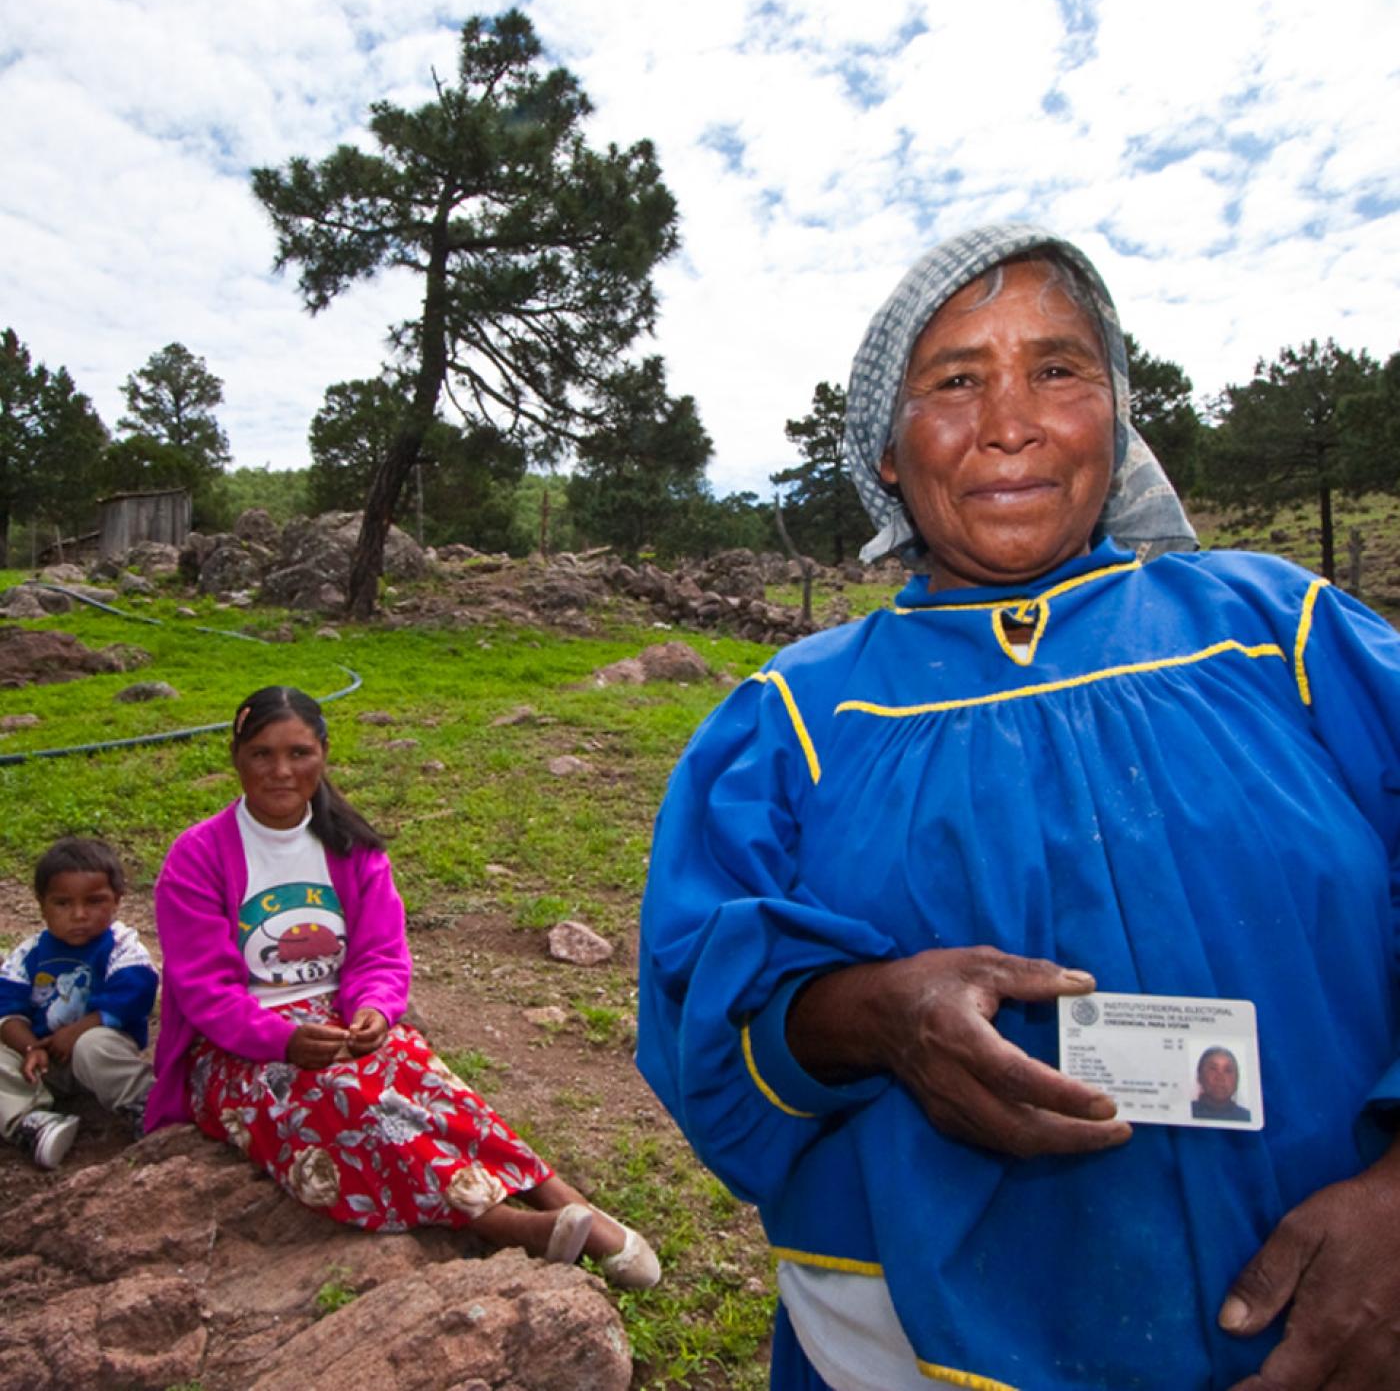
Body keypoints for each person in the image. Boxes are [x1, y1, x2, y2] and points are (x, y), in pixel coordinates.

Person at [637, 222, 1400, 1390]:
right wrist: (871, 1014)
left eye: (1056, 368)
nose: (1009, 421)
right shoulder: (787, 722)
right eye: (953, 380)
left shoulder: (1283, 636)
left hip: (1328, 1327)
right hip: (909, 1351)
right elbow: (701, 1021)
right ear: (885, 451)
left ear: (1115, 413)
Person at [148, 685, 658, 1287]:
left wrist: (373, 1010)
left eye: (299, 753)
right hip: (235, 1048)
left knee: (420, 1072)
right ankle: (503, 1225)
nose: (281, 771)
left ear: (324, 755)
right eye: (261, 754)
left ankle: (553, 1191)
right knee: (345, 1100)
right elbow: (205, 989)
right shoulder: (198, 857)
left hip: (337, 1019)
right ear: (236, 757)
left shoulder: (352, 848)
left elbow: (381, 956)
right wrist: (281, 1041)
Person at [0, 837, 156, 1169]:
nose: (79, 915)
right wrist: (31, 1048)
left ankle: (144, 1103)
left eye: (95, 901)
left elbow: (134, 994)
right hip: (43, 1061)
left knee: (94, 1046)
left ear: (117, 901)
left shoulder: (122, 946)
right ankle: (32, 1122)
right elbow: (8, 1008)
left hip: (95, 1054)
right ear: (41, 904)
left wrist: (78, 1031)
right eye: (63, 904)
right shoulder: (29, 954)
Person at [1192, 1046, 1252, 1123]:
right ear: (1199, 1076)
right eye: (1213, 1069)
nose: (1220, 1078)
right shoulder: (1185, 1112)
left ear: (1237, 1079)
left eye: (1228, 1070)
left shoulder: (1247, 1118)